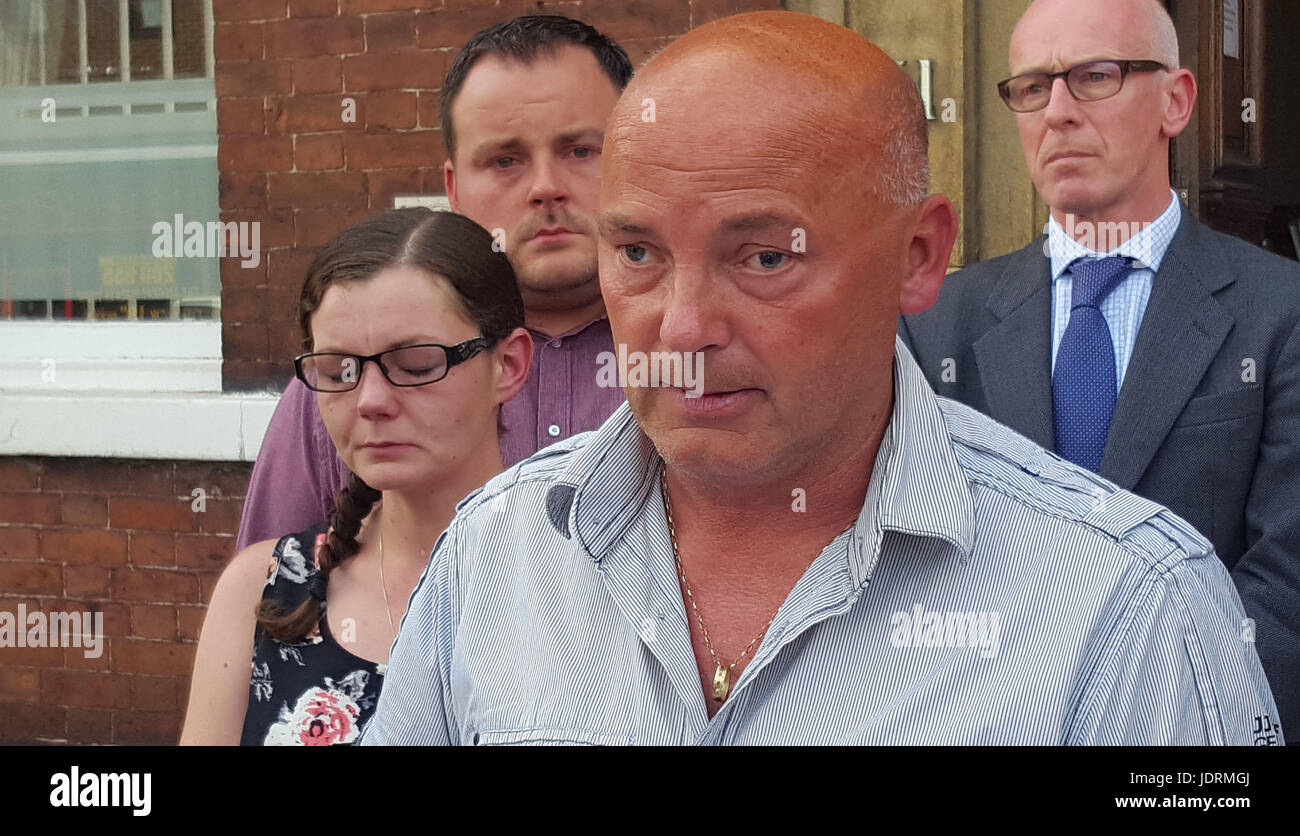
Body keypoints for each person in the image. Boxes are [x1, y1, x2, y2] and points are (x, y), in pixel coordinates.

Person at [359, 11, 1280, 745]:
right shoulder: (497, 558)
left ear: (918, 256)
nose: (681, 326)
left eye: (763, 258)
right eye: (636, 251)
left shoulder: (1129, 609)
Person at [898, 0, 1299, 742]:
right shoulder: (934, 324)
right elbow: (914, 565)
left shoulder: (1280, 312)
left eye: (1094, 77)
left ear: (1175, 100)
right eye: (1031, 87)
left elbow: (1286, 583)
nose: (1056, 113)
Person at [234, 15, 632, 551]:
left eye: (580, 151)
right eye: (505, 160)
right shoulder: (350, 376)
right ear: (454, 187)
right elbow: (276, 607)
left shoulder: (701, 359)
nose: (546, 187)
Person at [181, 209, 531, 745]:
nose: (370, 401)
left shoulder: (593, 591)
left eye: (416, 364)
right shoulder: (264, 592)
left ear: (507, 364)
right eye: (339, 371)